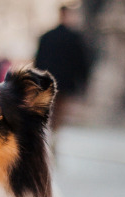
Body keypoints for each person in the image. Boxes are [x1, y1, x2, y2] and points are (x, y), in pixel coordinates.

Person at [34, 5, 91, 133]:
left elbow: (38, 61)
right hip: (65, 82)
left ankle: (47, 132)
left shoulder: (46, 36)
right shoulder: (74, 38)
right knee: (59, 109)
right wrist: (83, 81)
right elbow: (81, 62)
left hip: (47, 81)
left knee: (48, 108)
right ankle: (54, 133)